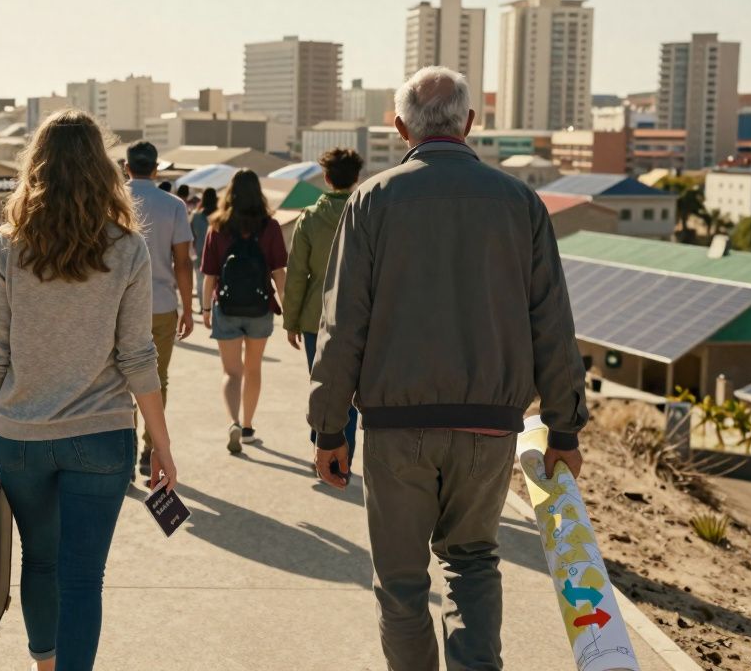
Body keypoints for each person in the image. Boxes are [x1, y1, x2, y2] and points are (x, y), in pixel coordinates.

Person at [307, 66, 588, 671]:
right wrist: (564, 429)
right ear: (470, 122)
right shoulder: (520, 203)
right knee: (472, 561)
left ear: (400, 125)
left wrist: (330, 429)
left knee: (402, 581)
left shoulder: (372, 201)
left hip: (394, 427)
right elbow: (553, 325)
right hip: (489, 426)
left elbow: (342, 327)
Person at [0, 109, 178, 671]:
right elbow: (136, 356)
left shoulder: (8, 245)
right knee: (83, 579)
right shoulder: (126, 248)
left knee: (42, 564)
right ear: (103, 170)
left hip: (22, 437)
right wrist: (162, 443)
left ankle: (43, 666)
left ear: (38, 167)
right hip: (100, 437)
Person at [283, 147, 363, 467]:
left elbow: (297, 274)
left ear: (327, 178)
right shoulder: (365, 214)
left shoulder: (310, 218)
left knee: (322, 385)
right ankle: (345, 456)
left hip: (316, 317)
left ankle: (321, 448)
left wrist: (291, 321)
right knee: (353, 395)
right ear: (357, 178)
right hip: (360, 315)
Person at [200, 169, 288, 454]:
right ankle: (249, 426)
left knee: (231, 371)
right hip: (260, 307)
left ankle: (233, 422)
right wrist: (288, 309)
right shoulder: (270, 226)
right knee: (253, 369)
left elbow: (210, 274)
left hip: (225, 306)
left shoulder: (217, 226)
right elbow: (278, 272)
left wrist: (204, 308)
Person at [125, 141, 195, 478]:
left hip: (120, 307)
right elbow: (182, 262)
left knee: (120, 381)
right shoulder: (174, 206)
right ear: (156, 170)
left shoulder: (112, 201)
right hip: (162, 305)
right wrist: (189, 308)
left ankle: (124, 451)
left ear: (127, 168)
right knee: (157, 378)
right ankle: (149, 448)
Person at [190, 188, 217, 313]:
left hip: (199, 252)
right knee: (215, 281)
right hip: (217, 254)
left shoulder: (195, 216)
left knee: (201, 281)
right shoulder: (219, 216)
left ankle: (203, 306)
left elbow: (191, 236)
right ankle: (213, 304)